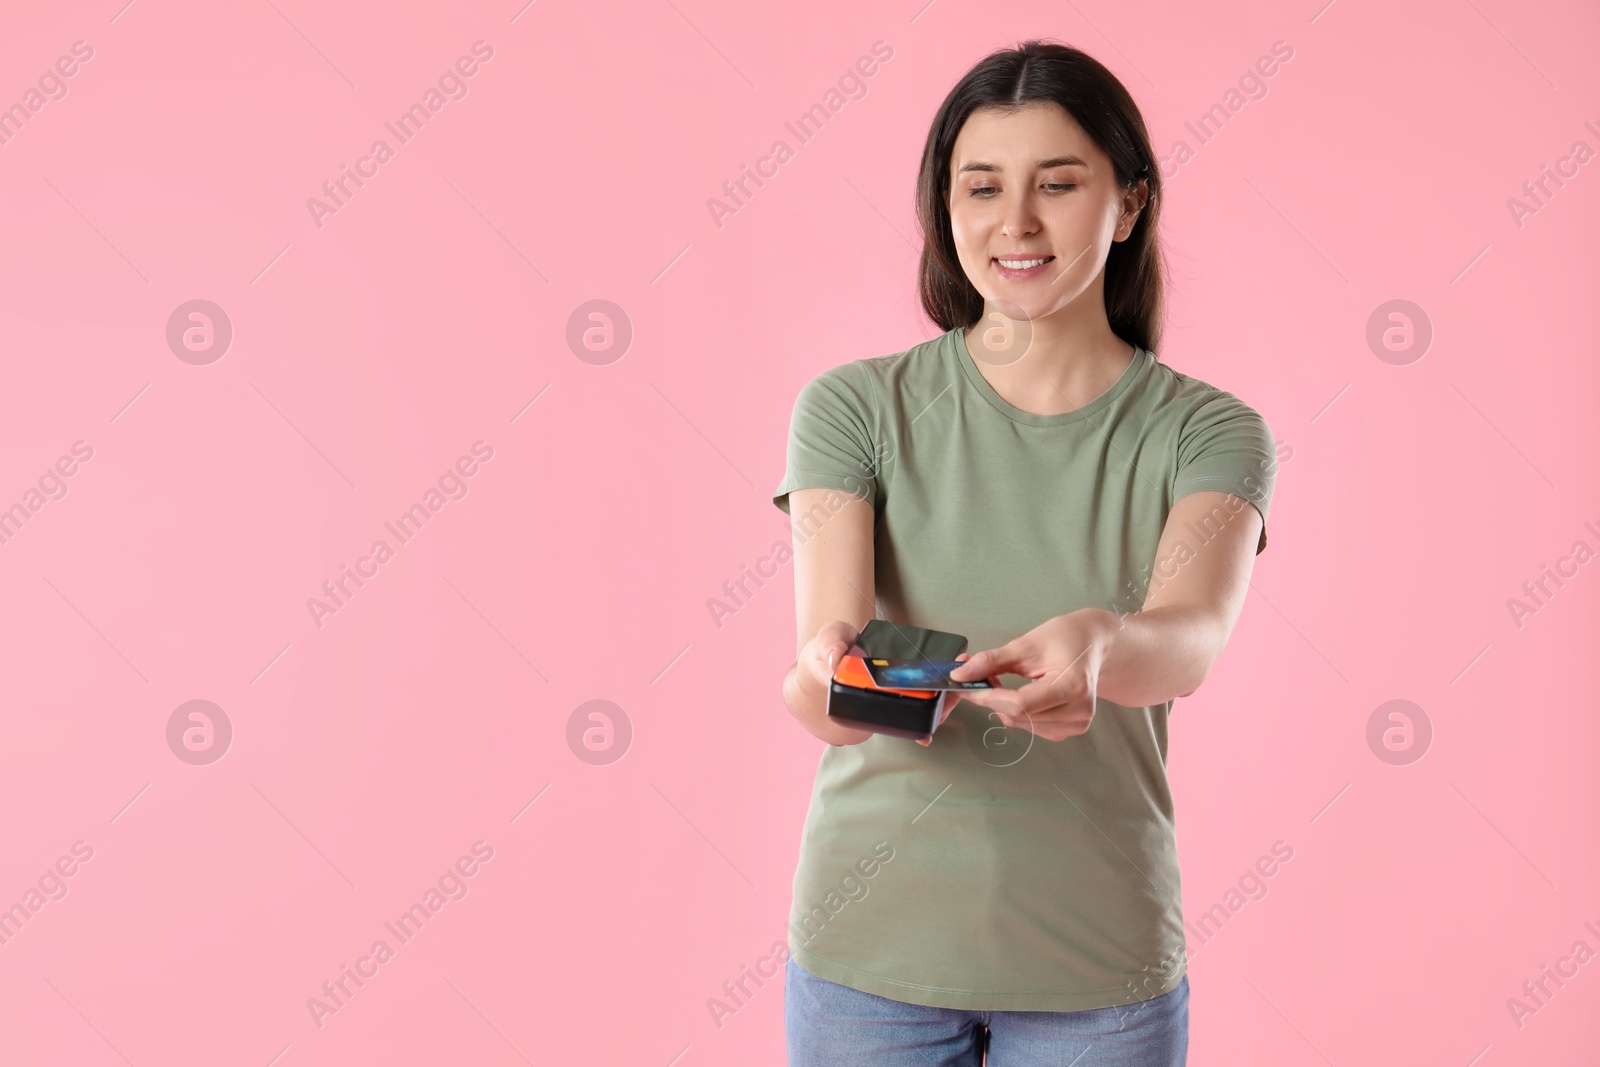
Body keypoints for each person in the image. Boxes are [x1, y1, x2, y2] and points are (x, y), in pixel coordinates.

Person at [771, 39, 1280, 1067]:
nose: (1016, 223)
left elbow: (1191, 637)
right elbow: (822, 680)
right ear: (941, 208)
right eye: (981, 187)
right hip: (867, 959)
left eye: (1057, 183)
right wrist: (833, 674)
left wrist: (1098, 642)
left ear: (1129, 204)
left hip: (1100, 970)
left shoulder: (1209, 432)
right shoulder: (852, 407)